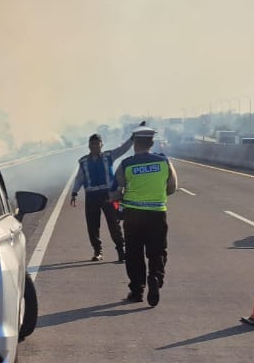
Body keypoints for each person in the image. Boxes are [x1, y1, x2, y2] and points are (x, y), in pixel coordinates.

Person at [113, 126, 176, 305]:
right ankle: (155, 278)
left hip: (132, 215)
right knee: (157, 251)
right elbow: (172, 187)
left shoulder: (126, 164)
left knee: (133, 254)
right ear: (151, 143)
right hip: (157, 214)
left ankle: (137, 291)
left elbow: (117, 192)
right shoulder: (164, 162)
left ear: (134, 143)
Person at [69, 131, 133, 262]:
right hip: (91, 197)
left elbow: (123, 149)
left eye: (97, 144)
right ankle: (97, 251)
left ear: (101, 145)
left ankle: (121, 250)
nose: (94, 147)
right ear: (89, 146)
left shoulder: (109, 156)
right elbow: (79, 178)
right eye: (92, 144)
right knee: (92, 225)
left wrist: (133, 138)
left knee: (114, 224)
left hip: (108, 196)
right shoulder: (84, 161)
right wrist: (74, 193)